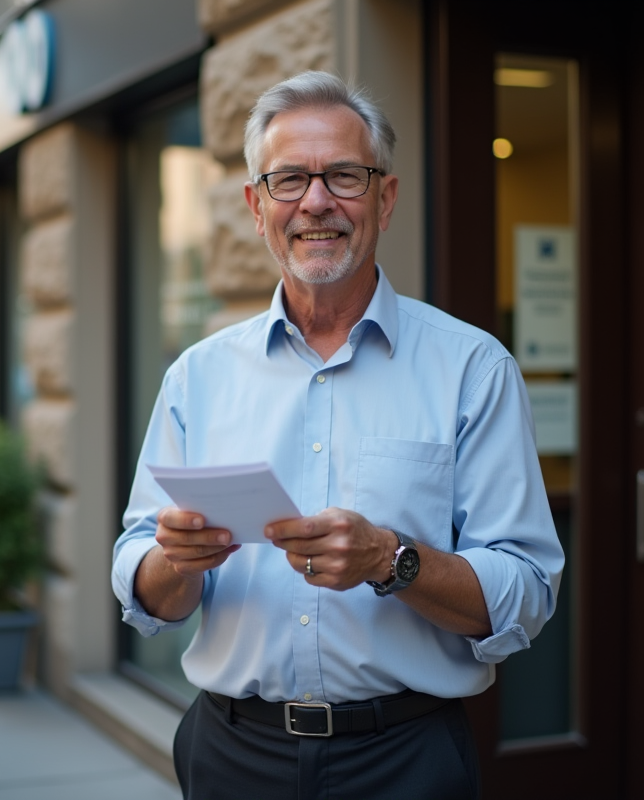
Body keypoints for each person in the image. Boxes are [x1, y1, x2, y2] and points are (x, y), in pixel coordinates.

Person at [112, 71, 566, 799]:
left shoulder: (473, 369)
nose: (316, 201)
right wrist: (176, 561)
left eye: (345, 176)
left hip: (405, 760)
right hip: (231, 755)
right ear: (256, 206)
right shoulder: (197, 377)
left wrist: (392, 559)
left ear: (385, 199)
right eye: (289, 179)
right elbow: (143, 585)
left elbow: (526, 593)